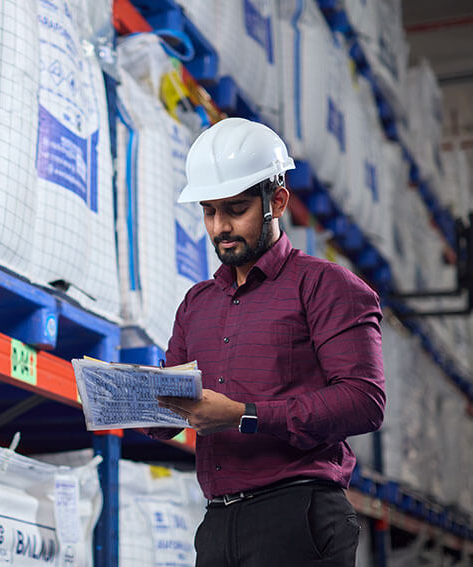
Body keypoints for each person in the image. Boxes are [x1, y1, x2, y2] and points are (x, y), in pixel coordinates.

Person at [153, 117, 386, 566]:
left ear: (275, 201)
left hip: (297, 516)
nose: (220, 226)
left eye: (235, 209)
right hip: (217, 525)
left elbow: (364, 401)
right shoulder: (196, 303)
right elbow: (169, 414)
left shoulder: (326, 286)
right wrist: (130, 402)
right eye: (208, 211)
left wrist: (245, 416)